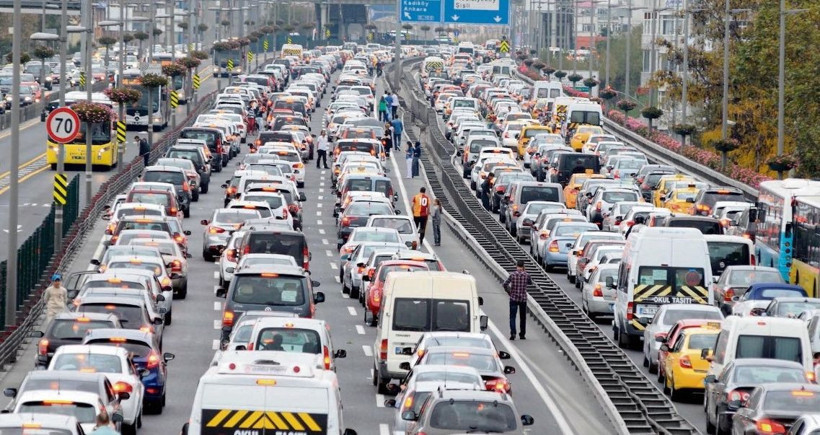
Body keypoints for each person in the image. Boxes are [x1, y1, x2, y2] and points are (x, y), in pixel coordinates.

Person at [503, 260, 532, 340]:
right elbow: (530, 283)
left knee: (512, 317)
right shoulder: (527, 275)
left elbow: (505, 284)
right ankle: (522, 334)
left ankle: (513, 333)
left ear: (516, 265)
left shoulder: (512, 275)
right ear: (523, 266)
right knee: (523, 317)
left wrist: (509, 291)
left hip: (513, 298)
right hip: (523, 299)